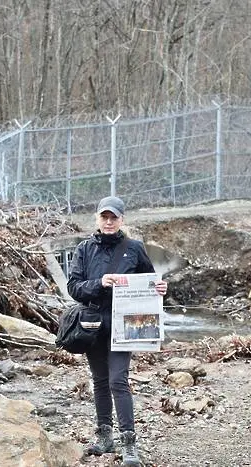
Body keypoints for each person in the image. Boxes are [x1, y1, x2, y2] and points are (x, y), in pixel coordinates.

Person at [67, 195, 168, 467]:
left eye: (114, 218)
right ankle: (104, 436)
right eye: (104, 217)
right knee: (100, 381)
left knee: (117, 381)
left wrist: (160, 290)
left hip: (126, 326)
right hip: (93, 326)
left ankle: (129, 443)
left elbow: (151, 283)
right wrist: (99, 282)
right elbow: (74, 288)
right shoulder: (84, 249)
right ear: (97, 218)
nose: (109, 222)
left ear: (122, 219)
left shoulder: (134, 248)